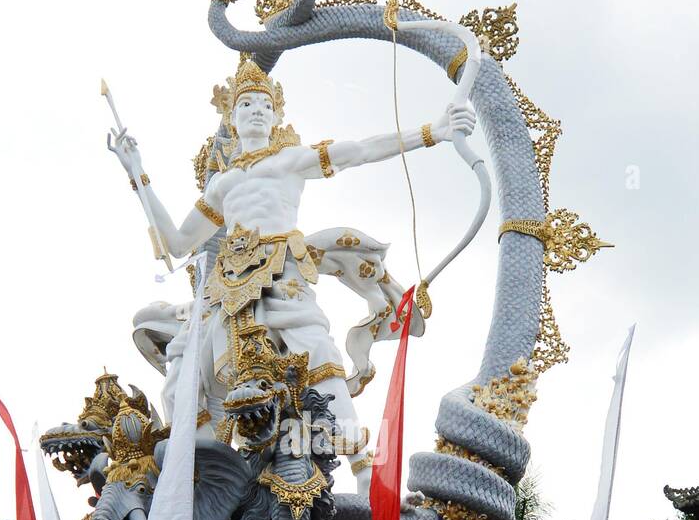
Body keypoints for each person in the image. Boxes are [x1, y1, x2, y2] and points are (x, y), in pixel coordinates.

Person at [115, 58, 476, 493]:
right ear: (232, 118)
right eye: (245, 104)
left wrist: (431, 132)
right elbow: (176, 244)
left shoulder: (289, 160)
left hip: (281, 270)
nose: (254, 111)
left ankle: (366, 473)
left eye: (263, 105)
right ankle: (213, 479)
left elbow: (358, 151)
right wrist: (138, 175)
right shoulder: (222, 184)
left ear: (276, 115)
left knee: (319, 359)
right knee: (187, 373)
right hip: (226, 287)